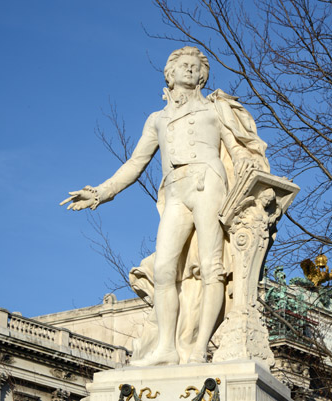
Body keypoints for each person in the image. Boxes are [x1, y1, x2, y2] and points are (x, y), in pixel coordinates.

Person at [61, 46, 269, 365]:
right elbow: (135, 163)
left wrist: (247, 169)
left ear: (202, 75)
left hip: (207, 183)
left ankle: (199, 349)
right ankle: (167, 348)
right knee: (163, 270)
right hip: (174, 191)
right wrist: (101, 192)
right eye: (181, 65)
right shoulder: (157, 119)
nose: (188, 69)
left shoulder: (216, 110)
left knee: (212, 266)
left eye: (194, 66)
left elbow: (238, 151)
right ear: (169, 75)